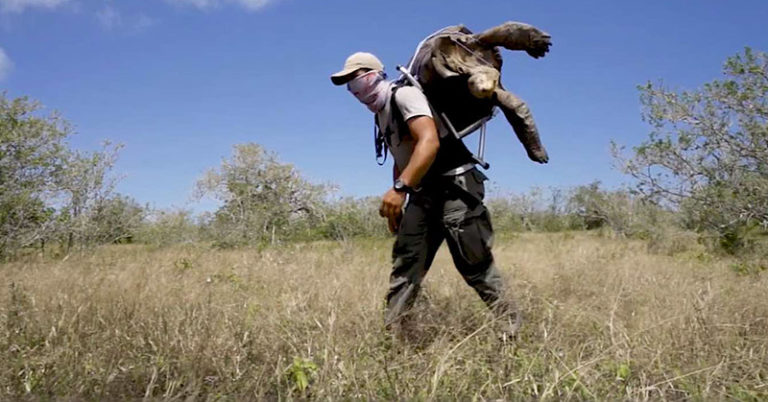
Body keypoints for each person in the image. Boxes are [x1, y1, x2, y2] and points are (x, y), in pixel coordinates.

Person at [331, 52, 520, 337]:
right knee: (406, 266)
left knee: (475, 266)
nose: (355, 90)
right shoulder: (381, 114)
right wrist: (402, 198)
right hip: (422, 193)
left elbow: (428, 142)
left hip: (455, 185)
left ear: (374, 75)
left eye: (356, 79)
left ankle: (512, 332)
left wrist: (399, 189)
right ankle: (393, 340)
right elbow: (401, 157)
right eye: (348, 85)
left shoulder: (404, 95)